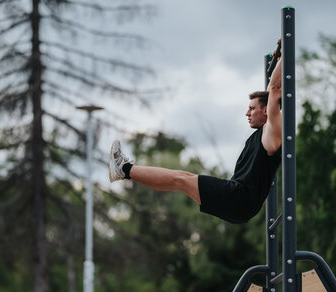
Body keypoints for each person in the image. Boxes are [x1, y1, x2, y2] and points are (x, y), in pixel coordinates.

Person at [109, 57, 283, 224]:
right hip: (239, 199)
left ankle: (123, 169)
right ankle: (124, 170)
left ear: (266, 111)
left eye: (252, 109)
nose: (247, 113)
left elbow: (274, 89)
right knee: (181, 180)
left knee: (181, 178)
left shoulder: (271, 132)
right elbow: (271, 90)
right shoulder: (263, 131)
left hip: (239, 198)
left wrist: (284, 55)